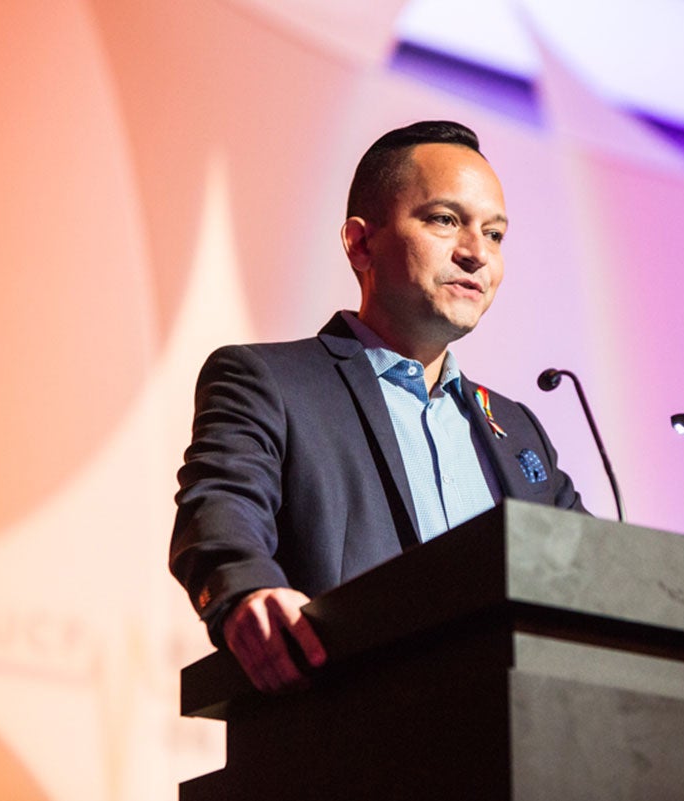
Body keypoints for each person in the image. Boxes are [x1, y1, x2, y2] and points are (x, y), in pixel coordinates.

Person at [169, 121, 585, 693]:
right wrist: (246, 593)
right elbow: (220, 510)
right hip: (351, 731)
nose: (476, 254)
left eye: (494, 234)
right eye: (445, 220)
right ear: (361, 243)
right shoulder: (269, 381)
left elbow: (589, 573)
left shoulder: (515, 429)